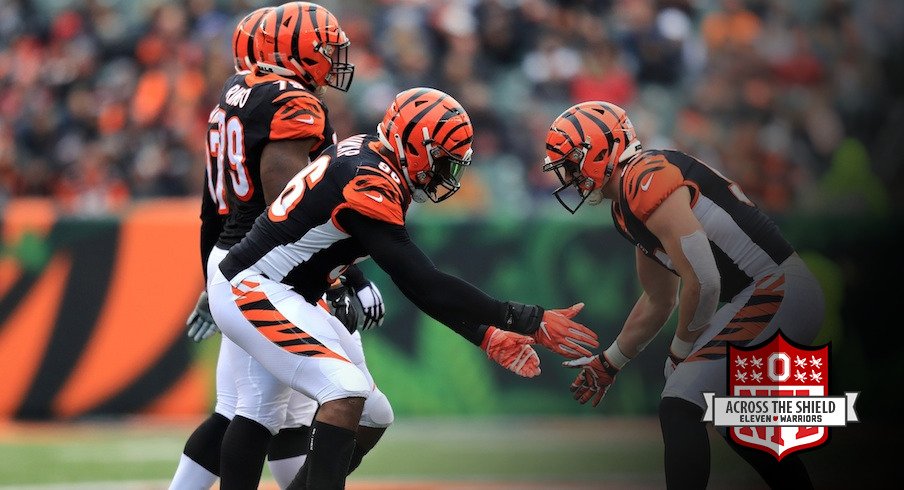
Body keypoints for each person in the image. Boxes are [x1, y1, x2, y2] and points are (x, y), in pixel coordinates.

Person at [207, 86, 600, 489]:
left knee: (373, 414)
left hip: (289, 292)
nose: (447, 176)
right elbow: (423, 283)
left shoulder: (373, 156)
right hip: (252, 287)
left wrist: (485, 335)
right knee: (341, 391)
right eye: (443, 163)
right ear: (416, 146)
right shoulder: (368, 181)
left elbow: (421, 285)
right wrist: (525, 319)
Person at [542, 101, 825, 489]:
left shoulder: (644, 176)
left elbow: (704, 280)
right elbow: (660, 299)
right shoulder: (625, 206)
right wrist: (610, 362)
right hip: (762, 293)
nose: (569, 176)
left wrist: (679, 351)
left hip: (777, 288)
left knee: (679, 402)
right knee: (735, 418)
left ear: (600, 149)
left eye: (572, 163)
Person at [171, 4, 392, 489]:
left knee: (264, 411)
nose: (333, 58)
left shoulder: (234, 96)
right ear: (290, 52)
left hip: (238, 254)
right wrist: (342, 274)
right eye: (324, 47)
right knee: (258, 411)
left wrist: (212, 277)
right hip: (272, 263)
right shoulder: (291, 102)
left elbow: (213, 206)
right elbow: (291, 203)